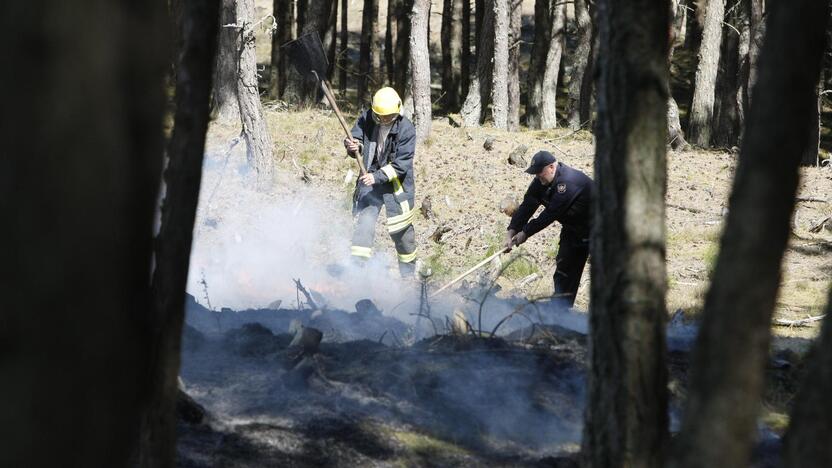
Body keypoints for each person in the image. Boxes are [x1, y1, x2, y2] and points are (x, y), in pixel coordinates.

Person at [344, 87, 418, 277]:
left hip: (396, 184)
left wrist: (376, 177)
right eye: (381, 117)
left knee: (402, 231)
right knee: (364, 225)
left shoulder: (406, 129)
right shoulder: (368, 117)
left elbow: (401, 165)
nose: (384, 120)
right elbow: (357, 137)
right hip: (371, 182)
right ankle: (357, 270)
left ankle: (408, 275)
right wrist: (353, 145)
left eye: (388, 117)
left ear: (397, 111)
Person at [505, 150, 594, 308]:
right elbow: (527, 207)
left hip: (600, 229)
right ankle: (559, 316)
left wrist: (525, 232)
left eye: (540, 172)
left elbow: (550, 214)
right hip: (573, 230)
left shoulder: (568, 181)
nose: (538, 176)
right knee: (564, 272)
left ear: (552, 167)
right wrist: (511, 231)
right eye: (535, 173)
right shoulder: (540, 183)